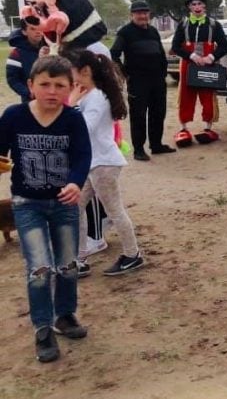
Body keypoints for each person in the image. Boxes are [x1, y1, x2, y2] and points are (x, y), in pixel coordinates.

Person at [0, 56, 91, 363]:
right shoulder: (13, 116)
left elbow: (82, 155)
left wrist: (76, 182)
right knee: (39, 268)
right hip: (28, 205)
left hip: (64, 204)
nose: (52, 91)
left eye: (59, 86)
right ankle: (43, 327)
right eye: (45, 84)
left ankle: (65, 315)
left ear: (70, 88)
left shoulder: (72, 119)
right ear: (30, 86)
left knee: (67, 264)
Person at [65, 50, 146, 278]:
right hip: (92, 162)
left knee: (114, 209)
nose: (70, 77)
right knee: (76, 206)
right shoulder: (88, 95)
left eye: (72, 71)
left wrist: (70, 107)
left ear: (85, 71)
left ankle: (132, 254)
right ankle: (79, 258)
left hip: (103, 163)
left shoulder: (97, 97)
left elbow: (84, 129)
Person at [111, 0, 175, 161]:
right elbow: (114, 54)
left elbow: (160, 53)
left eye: (145, 12)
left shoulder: (153, 31)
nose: (142, 16)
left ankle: (156, 145)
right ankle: (138, 149)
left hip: (157, 80)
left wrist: (163, 73)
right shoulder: (125, 33)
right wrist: (125, 74)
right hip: (138, 81)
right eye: (139, 13)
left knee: (158, 113)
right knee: (138, 115)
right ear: (131, 15)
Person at [171, 0, 227, 147]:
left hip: (208, 66)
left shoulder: (213, 25)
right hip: (188, 65)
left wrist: (210, 57)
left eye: (199, 4)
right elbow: (175, 47)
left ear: (204, 6)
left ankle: (208, 128)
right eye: (193, 4)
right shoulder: (183, 24)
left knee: (208, 96)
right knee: (185, 95)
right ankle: (183, 128)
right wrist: (192, 56)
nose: (197, 7)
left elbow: (224, 46)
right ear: (189, 7)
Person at [5, 19, 45, 102]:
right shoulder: (16, 53)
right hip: (30, 102)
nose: (38, 32)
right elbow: (12, 79)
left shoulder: (51, 48)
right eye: (33, 29)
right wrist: (29, 93)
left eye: (40, 28)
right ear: (24, 32)